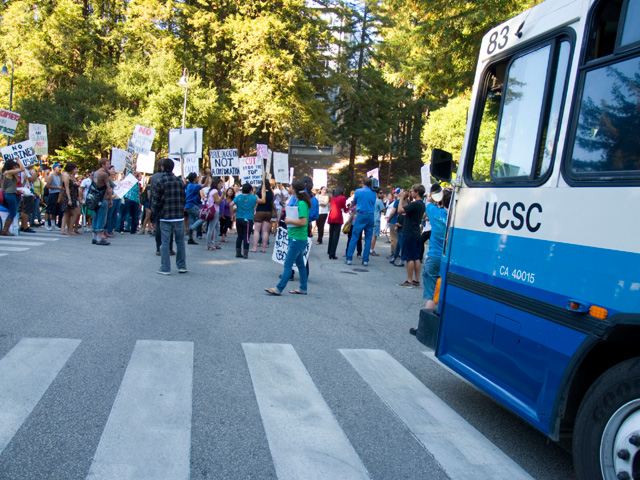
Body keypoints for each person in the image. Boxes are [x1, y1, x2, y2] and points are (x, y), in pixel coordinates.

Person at [265, 179, 310, 296]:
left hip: (297, 238)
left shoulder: (301, 203)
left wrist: (289, 220)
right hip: (296, 237)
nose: (289, 188)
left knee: (288, 263)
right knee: (300, 265)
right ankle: (303, 288)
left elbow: (303, 222)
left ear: (294, 189)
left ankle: (279, 288)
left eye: (290, 186)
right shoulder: (298, 202)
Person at [151, 157, 187, 275]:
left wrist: (153, 216)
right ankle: (182, 266)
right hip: (178, 215)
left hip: (165, 215)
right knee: (180, 242)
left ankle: (165, 267)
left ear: (162, 167)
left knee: (165, 242)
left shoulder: (160, 181)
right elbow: (183, 198)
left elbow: (155, 201)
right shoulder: (179, 181)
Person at [423, 185, 451, 308]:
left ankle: (426, 326)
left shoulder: (435, 213)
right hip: (450, 260)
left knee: (432, 296)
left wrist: (437, 195)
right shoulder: (458, 218)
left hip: (434, 257)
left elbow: (428, 201)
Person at [397, 184, 426, 288]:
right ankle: (416, 280)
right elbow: (407, 208)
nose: (411, 193)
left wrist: (400, 198)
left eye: (412, 191)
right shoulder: (421, 204)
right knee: (416, 257)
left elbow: (400, 210)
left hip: (409, 233)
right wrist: (405, 198)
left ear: (417, 192)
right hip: (416, 232)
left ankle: (409, 280)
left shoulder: (415, 204)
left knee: (409, 258)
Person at [345, 176, 377, 266]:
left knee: (354, 236)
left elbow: (354, 202)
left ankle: (349, 258)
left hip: (361, 214)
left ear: (362, 182)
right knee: (368, 238)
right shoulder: (374, 193)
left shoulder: (358, 191)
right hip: (370, 215)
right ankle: (365, 260)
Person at [232, 183, 263, 258]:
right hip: (248, 219)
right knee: (246, 237)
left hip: (239, 218)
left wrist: (232, 214)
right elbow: (263, 201)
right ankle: (245, 253)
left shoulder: (238, 197)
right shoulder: (253, 197)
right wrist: (263, 192)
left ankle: (238, 252)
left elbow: (231, 204)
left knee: (239, 236)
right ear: (250, 190)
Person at [91, 158, 113, 246]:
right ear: (103, 165)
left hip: (95, 198)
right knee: (102, 217)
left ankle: (94, 237)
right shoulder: (104, 174)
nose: (109, 166)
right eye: (107, 164)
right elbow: (109, 188)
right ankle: (100, 238)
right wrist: (110, 199)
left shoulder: (95, 173)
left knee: (95, 216)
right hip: (103, 198)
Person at [1, 159, 24, 236]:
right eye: (14, 166)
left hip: (8, 193)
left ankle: (5, 229)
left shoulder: (5, 173)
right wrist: (18, 160)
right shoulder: (9, 172)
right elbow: (22, 169)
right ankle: (5, 229)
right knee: (13, 212)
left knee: (11, 211)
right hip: (10, 194)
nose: (15, 168)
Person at [251, 181, 273, 253]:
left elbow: (256, 202)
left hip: (260, 211)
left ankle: (254, 247)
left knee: (257, 230)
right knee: (265, 230)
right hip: (268, 212)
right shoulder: (271, 193)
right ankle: (264, 248)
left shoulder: (259, 193)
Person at [327, 186, 348, 259]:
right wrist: (350, 207)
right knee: (336, 236)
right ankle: (332, 253)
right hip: (338, 217)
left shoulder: (332, 198)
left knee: (331, 235)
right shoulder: (342, 198)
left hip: (331, 216)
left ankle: (329, 251)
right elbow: (345, 209)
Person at [60, 162, 81, 235]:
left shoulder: (70, 176)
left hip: (73, 195)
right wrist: (69, 199)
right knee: (75, 213)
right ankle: (70, 229)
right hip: (69, 196)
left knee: (67, 213)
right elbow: (66, 187)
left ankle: (63, 229)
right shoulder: (66, 175)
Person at [185, 172, 204, 245]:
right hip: (192, 205)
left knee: (192, 220)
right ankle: (191, 228)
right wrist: (208, 175)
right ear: (194, 179)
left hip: (189, 205)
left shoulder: (189, 185)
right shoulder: (193, 186)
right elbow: (204, 185)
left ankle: (190, 239)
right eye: (196, 178)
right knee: (202, 217)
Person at [45, 163, 63, 230]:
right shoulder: (51, 176)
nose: (60, 169)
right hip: (52, 193)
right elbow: (48, 186)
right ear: (54, 168)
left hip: (58, 193)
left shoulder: (60, 176)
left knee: (55, 210)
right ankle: (46, 224)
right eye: (59, 167)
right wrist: (57, 187)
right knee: (49, 210)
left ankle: (53, 224)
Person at [370, 190, 386, 256]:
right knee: (374, 235)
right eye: (380, 193)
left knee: (369, 235)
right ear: (377, 193)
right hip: (376, 219)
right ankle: (371, 249)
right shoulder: (379, 201)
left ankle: (368, 248)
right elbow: (384, 210)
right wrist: (380, 210)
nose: (381, 194)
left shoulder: (370, 200)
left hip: (370, 218)